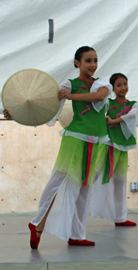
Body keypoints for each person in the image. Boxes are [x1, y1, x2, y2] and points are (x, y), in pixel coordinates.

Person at [23, 46, 111, 248]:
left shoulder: (102, 83)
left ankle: (77, 235)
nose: (93, 65)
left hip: (97, 142)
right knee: (57, 181)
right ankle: (36, 223)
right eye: (88, 61)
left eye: (95, 60)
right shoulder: (69, 84)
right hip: (75, 139)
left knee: (84, 188)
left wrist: (71, 97)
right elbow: (43, 102)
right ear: (77, 63)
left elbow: (99, 96)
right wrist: (12, 111)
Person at [91, 73, 138, 227]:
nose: (123, 87)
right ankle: (85, 207)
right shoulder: (108, 104)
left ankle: (120, 218)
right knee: (98, 177)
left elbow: (131, 116)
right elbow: (97, 112)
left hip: (122, 147)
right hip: (109, 146)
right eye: (118, 85)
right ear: (112, 88)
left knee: (120, 182)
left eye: (125, 83)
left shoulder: (133, 104)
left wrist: (113, 121)